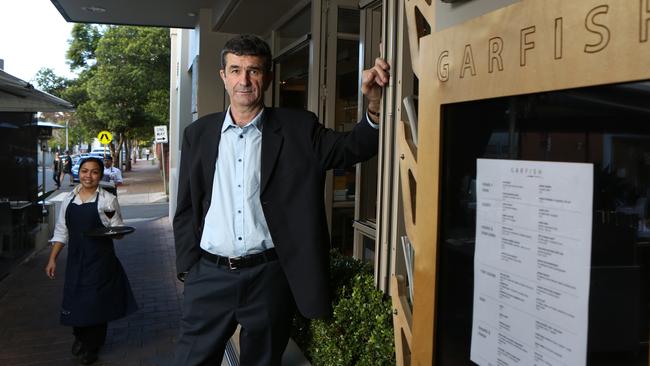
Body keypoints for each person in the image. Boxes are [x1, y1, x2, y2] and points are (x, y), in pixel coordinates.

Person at [173, 34, 390, 365]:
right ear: (223, 76)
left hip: (268, 278)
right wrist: (189, 269)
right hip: (209, 276)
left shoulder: (298, 128)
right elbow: (187, 207)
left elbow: (352, 147)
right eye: (235, 70)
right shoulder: (198, 134)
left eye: (254, 71)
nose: (244, 80)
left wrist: (373, 105)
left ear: (268, 77)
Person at [45, 157, 137, 365]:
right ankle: (79, 336)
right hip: (76, 260)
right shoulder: (69, 199)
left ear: (100, 175)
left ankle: (91, 347)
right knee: (75, 300)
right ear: (79, 173)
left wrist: (115, 231)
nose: (88, 175)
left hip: (100, 260)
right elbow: (61, 231)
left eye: (94, 172)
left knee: (96, 304)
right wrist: (52, 259)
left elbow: (118, 230)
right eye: (85, 171)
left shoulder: (107, 200)